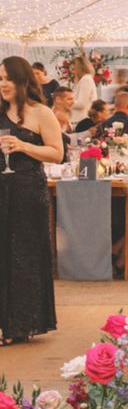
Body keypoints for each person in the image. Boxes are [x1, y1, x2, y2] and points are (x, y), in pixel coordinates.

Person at [0, 57, 63, 343]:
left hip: (27, 191)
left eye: (8, 79)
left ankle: (20, 324)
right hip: (2, 189)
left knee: (23, 255)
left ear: (23, 81)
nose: (2, 84)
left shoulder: (41, 112)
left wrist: (24, 145)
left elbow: (56, 153)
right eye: (0, 78)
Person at [70, 55, 97, 126]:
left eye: (74, 69)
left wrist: (65, 102)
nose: (73, 72)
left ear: (79, 68)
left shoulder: (86, 79)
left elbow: (82, 103)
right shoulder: (84, 79)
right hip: (79, 119)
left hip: (81, 120)